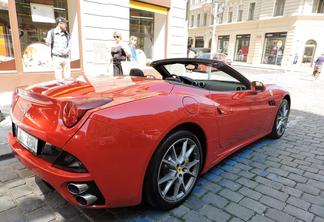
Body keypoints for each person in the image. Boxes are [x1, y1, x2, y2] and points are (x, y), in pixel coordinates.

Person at [46, 17, 71, 81]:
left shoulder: (66, 33)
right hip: (57, 57)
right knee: (59, 79)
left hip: (66, 57)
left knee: (68, 78)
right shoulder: (51, 33)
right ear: (60, 24)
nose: (66, 25)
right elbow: (48, 45)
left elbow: (70, 44)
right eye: (65, 24)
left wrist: (67, 50)